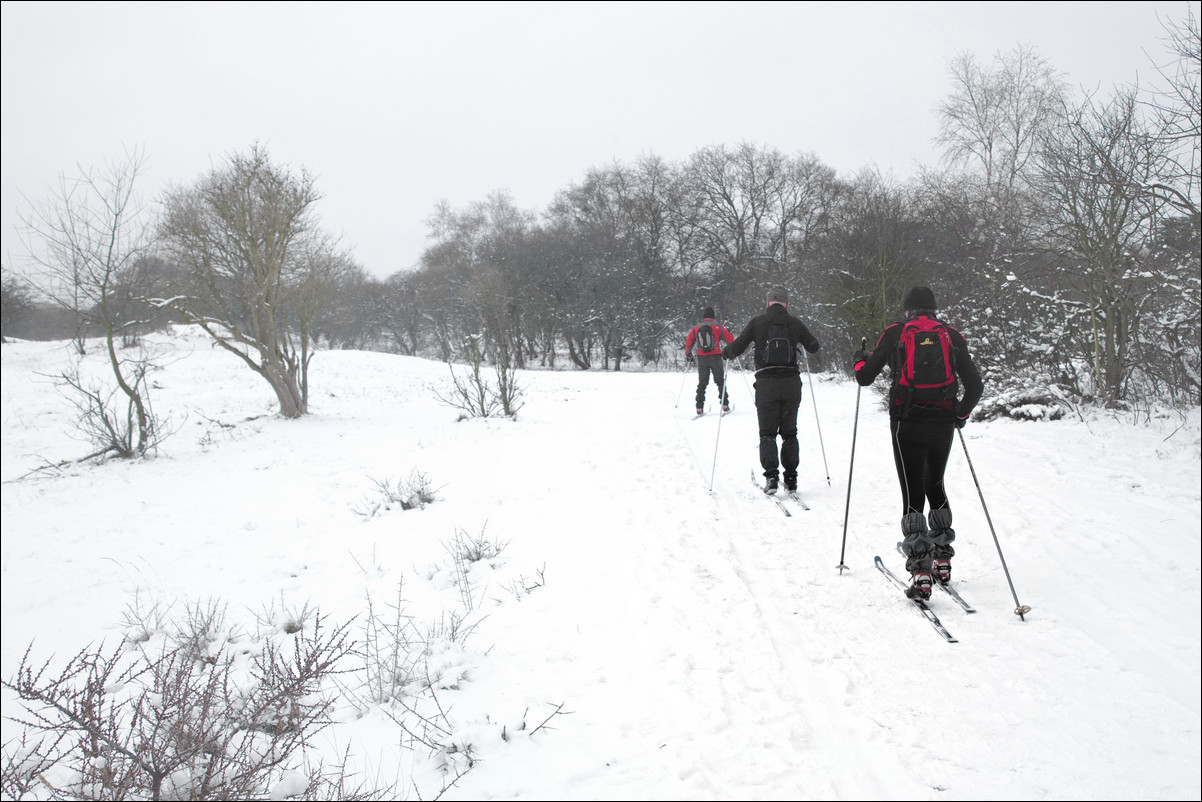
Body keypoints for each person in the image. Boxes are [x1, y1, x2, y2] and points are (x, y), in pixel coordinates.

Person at [851, 285, 984, 601]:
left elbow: (864, 377)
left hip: (906, 420)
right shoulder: (951, 336)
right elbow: (975, 387)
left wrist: (860, 359)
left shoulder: (896, 333)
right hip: (942, 420)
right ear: (934, 310)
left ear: (907, 310)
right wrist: (960, 414)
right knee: (935, 484)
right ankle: (942, 560)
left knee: (913, 493)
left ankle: (921, 571)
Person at [722, 287, 820, 494]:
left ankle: (772, 478)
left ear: (768, 303)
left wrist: (727, 352)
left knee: (767, 433)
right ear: (786, 304)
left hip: (767, 385)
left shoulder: (757, 322)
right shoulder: (795, 323)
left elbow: (737, 347)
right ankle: (791, 479)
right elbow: (813, 346)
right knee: (789, 432)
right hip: (791, 384)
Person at [684, 306, 735, 416]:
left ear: (704, 317)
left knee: (702, 383)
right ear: (713, 316)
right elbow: (730, 340)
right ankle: (725, 405)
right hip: (716, 356)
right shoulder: (718, 327)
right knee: (720, 382)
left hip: (701, 358)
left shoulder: (696, 328)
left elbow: (689, 341)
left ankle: (699, 407)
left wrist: (688, 354)